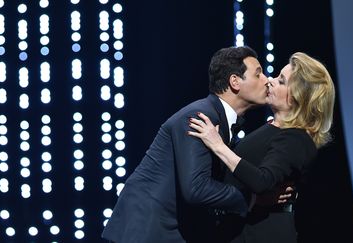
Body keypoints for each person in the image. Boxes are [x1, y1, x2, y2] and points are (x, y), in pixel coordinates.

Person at [102, 46, 273, 243]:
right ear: (234, 81)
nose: (267, 80)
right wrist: (248, 198)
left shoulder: (218, 118)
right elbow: (196, 188)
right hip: (147, 229)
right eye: (258, 74)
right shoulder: (200, 116)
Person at [188, 52, 335, 243]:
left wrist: (218, 146)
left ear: (296, 98)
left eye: (281, 81)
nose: (271, 81)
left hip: (263, 233)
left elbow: (262, 180)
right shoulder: (274, 129)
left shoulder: (297, 139)